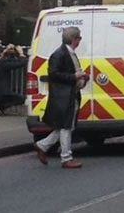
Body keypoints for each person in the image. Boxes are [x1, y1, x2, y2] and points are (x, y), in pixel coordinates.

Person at [34, 26, 88, 169]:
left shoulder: (69, 54)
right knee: (66, 126)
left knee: (65, 126)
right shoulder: (59, 54)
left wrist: (82, 79)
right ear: (73, 39)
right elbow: (54, 74)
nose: (80, 41)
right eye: (79, 38)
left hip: (70, 94)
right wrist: (74, 77)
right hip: (63, 96)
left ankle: (42, 145)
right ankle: (66, 158)